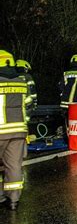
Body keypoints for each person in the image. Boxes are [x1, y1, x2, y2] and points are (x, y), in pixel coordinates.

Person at [0, 50, 33, 210]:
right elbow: (27, 102)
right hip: (19, 130)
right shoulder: (21, 81)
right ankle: (13, 201)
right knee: (13, 164)